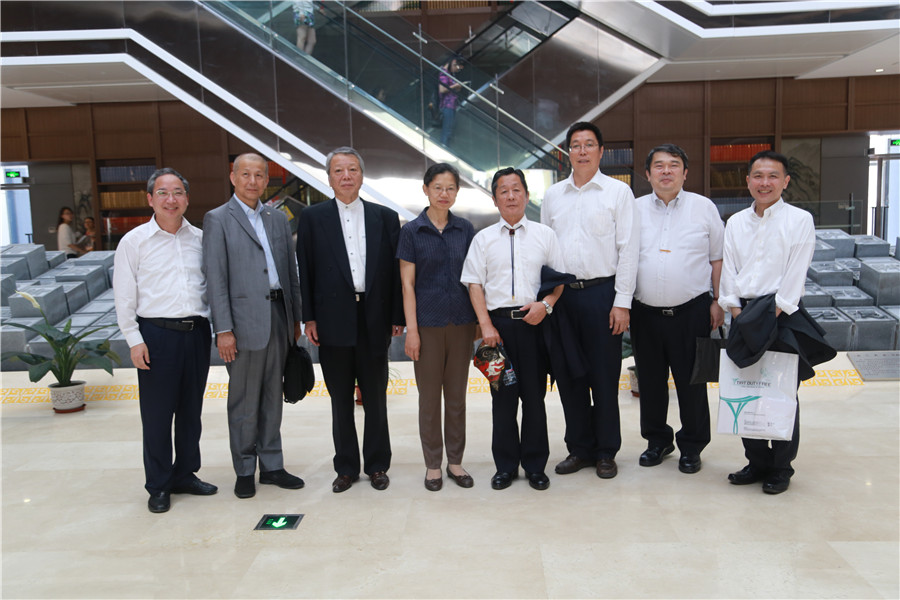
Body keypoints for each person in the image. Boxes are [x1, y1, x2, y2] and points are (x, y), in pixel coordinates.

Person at [719, 150, 832, 495]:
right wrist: (735, 312)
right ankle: (756, 461)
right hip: (743, 314)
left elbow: (795, 276)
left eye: (772, 176)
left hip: (781, 315)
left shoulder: (799, 220)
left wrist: (768, 316)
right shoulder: (736, 222)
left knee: (781, 393)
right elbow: (729, 271)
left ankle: (781, 467)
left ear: (785, 181)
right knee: (746, 389)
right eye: (758, 175)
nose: (764, 182)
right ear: (748, 181)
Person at [297, 147, 404, 493]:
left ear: (361, 175)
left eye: (353, 169)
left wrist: (397, 315)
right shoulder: (313, 218)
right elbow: (305, 271)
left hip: (374, 316)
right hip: (332, 319)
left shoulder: (384, 217)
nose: (346, 176)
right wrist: (309, 318)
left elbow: (395, 272)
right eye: (339, 170)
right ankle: (345, 467)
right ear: (329, 178)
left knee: (375, 397)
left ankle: (377, 465)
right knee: (340, 398)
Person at [540, 121, 639, 480]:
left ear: (601, 151)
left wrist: (622, 302)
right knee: (569, 377)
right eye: (576, 145)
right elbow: (544, 249)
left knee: (604, 376)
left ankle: (606, 451)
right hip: (563, 297)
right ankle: (579, 448)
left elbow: (629, 250)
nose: (582, 151)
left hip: (603, 296)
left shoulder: (618, 193)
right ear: (568, 152)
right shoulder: (553, 196)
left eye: (589, 144)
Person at [113, 168, 216, 513]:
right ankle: (158, 484)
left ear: (187, 198)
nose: (170, 200)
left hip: (196, 334)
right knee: (157, 415)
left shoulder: (201, 239)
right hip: (156, 335)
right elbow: (124, 296)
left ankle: (185, 474)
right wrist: (134, 339)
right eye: (162, 193)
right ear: (150, 199)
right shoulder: (134, 242)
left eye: (177, 193)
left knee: (190, 411)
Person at [202, 153, 305, 499]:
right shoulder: (218, 219)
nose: (252, 181)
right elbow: (216, 279)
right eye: (245, 174)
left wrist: (295, 319)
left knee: (273, 396)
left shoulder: (276, 218)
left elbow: (289, 272)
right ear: (233, 178)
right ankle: (245, 468)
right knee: (245, 401)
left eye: (259, 175)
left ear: (266, 180)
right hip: (242, 324)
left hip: (279, 317)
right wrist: (223, 329)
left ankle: (272, 466)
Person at [461, 167, 565, 491]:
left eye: (516, 189)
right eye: (503, 191)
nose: (510, 196)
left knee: (534, 399)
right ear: (495, 199)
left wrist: (545, 306)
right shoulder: (483, 239)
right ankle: (505, 467)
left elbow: (559, 282)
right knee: (503, 401)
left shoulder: (545, 235)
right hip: (498, 331)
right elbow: (474, 284)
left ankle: (535, 466)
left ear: (527, 195)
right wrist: (486, 325)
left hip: (534, 324)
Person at [631, 144, 725, 475]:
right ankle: (657, 441)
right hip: (644, 312)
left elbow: (717, 258)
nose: (666, 171)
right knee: (650, 382)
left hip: (692, 311)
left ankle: (692, 445)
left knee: (691, 383)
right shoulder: (634, 209)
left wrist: (718, 300)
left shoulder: (704, 208)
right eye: (659, 166)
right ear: (648, 174)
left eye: (674, 165)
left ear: (685, 173)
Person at [398, 163, 477, 491]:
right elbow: (407, 285)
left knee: (457, 398)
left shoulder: (466, 229)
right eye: (438, 187)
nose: (444, 194)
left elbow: (475, 279)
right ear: (426, 189)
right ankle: (433, 464)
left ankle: (455, 462)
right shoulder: (411, 231)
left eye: (450, 188)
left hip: (461, 323)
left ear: (457, 192)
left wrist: (480, 323)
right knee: (429, 400)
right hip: (427, 326)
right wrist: (412, 330)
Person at [438, 56, 465, 146]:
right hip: (447, 105)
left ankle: (445, 146)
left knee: (449, 130)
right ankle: (444, 146)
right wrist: (455, 86)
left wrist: (457, 87)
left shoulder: (449, 74)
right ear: (452, 62)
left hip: (451, 105)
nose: (456, 69)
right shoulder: (444, 74)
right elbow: (442, 89)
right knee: (447, 130)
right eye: (456, 66)